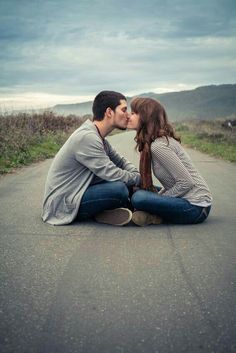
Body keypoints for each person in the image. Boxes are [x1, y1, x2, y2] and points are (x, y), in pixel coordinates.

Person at [42, 91, 140, 226]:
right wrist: (137, 178)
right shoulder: (87, 137)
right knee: (120, 189)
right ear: (109, 112)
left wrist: (136, 176)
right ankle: (104, 211)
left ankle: (106, 212)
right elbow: (112, 174)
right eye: (124, 110)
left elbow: (121, 162)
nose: (128, 115)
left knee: (134, 185)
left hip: (80, 192)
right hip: (64, 203)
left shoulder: (99, 137)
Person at [127, 97, 212, 226]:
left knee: (139, 198)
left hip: (195, 207)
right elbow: (172, 185)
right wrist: (157, 198)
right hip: (185, 201)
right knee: (137, 191)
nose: (129, 116)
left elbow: (186, 183)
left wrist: (158, 199)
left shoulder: (158, 146)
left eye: (133, 113)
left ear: (145, 117)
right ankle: (152, 214)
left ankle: (152, 215)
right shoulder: (153, 143)